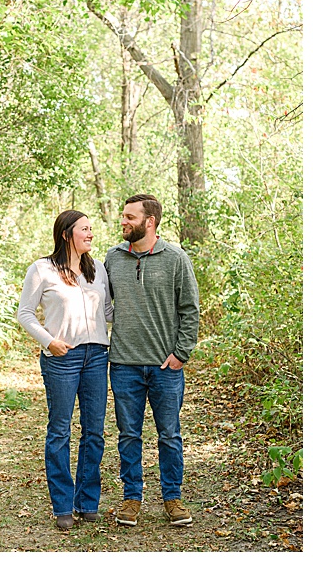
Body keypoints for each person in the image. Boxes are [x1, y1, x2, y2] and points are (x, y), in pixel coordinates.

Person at [105, 194, 200, 527]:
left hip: (164, 366)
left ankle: (172, 498)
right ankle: (132, 498)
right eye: (123, 216)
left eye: (130, 217)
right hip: (124, 364)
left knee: (169, 434)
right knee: (128, 434)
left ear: (150, 221)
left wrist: (180, 354)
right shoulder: (113, 257)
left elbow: (190, 309)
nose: (123, 222)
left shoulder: (176, 258)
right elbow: (98, 302)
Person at [18, 210, 113, 530]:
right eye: (84, 229)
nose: (90, 233)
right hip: (62, 358)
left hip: (97, 357)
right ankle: (62, 504)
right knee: (59, 431)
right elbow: (26, 314)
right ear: (65, 234)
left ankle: (87, 502)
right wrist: (49, 342)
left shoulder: (98, 269)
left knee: (94, 432)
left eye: (91, 229)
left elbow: (111, 311)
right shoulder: (42, 269)